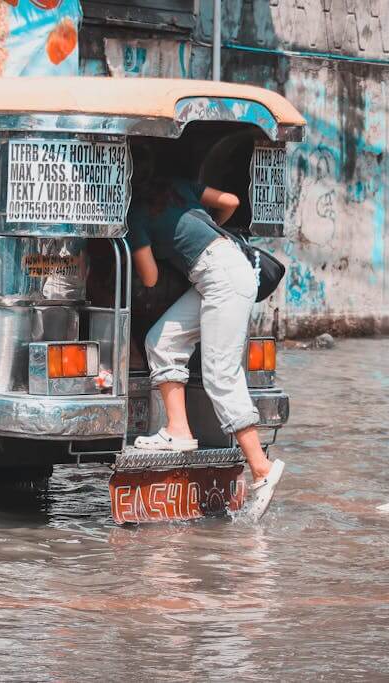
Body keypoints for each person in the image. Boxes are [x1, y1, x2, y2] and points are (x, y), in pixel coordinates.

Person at [128, 143, 285, 518]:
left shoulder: (135, 215)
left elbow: (149, 278)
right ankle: (178, 432)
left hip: (219, 278)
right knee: (162, 341)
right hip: (229, 264)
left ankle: (261, 469)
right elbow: (230, 200)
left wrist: (140, 250)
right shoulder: (181, 185)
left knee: (220, 373)